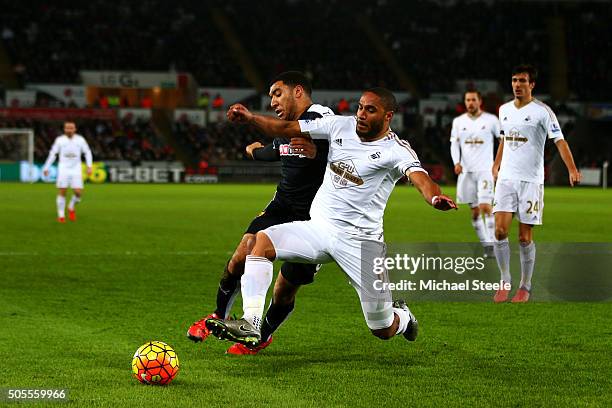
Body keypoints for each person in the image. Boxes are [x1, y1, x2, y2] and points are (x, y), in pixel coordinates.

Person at [206, 87, 457, 347]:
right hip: (319, 229)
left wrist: (434, 198)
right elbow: (287, 128)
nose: (361, 114)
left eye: (370, 110)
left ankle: (403, 317)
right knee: (261, 242)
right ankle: (252, 321)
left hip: (361, 244)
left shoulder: (396, 149)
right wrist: (251, 118)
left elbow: (422, 179)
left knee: (381, 328)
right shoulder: (339, 126)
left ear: (388, 116)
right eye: (360, 107)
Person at [187, 71, 334, 355]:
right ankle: (218, 316)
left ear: (298, 91)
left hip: (314, 219)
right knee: (244, 250)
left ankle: (261, 337)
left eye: (277, 94)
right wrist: (254, 150)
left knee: (284, 289)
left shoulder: (321, 119)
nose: (273, 102)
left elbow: (339, 152)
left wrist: (319, 154)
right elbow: (274, 151)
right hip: (281, 206)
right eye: (270, 97)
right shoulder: (286, 128)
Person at [492, 64, 580, 303]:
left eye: (522, 80)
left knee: (523, 237)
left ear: (532, 84)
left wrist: (571, 168)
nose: (517, 85)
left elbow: (559, 141)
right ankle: (504, 280)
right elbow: (504, 138)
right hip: (507, 179)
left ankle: (525, 285)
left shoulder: (543, 112)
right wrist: (496, 164)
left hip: (531, 181)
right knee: (499, 231)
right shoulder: (504, 110)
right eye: (514, 80)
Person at [450, 91, 501, 257]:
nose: (470, 103)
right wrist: (456, 162)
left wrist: (498, 165)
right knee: (475, 212)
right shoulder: (458, 122)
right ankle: (487, 246)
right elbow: (454, 144)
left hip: (485, 171)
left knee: (487, 207)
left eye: (473, 100)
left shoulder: (491, 120)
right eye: (467, 100)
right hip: (466, 172)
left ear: (480, 101)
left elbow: (503, 141)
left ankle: (493, 245)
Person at [42, 121, 93, 223]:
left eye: (71, 128)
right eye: (67, 128)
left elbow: (87, 152)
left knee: (78, 193)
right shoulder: (59, 140)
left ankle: (71, 206)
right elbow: (53, 154)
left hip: (76, 168)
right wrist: (46, 167)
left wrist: (89, 166)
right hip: (63, 168)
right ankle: (61, 216)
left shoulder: (80, 140)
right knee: (62, 191)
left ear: (75, 129)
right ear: (64, 129)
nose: (69, 130)